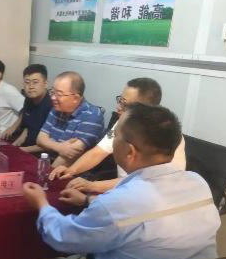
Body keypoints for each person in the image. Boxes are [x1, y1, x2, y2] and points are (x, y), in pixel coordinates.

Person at [23, 104, 220, 259]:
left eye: (115, 135)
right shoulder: (198, 183)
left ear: (129, 151)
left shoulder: (121, 203)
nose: (111, 140)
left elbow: (62, 237)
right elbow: (135, 216)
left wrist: (42, 204)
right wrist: (88, 201)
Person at [50, 78, 187, 195]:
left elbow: (143, 182)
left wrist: (92, 186)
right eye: (120, 100)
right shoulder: (124, 123)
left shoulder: (166, 135)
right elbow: (98, 152)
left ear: (145, 109)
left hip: (144, 197)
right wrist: (71, 170)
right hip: (120, 192)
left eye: (125, 104)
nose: (118, 107)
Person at [30, 71, 105, 166]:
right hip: (46, 160)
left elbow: (69, 154)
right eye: (52, 92)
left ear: (76, 98)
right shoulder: (56, 108)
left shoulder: (92, 116)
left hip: (69, 170)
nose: (53, 98)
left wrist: (48, 172)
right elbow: (40, 139)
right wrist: (60, 147)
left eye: (59, 94)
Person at [3, 64, 53, 147]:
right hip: (26, 143)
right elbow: (27, 121)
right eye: (27, 82)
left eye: (35, 82)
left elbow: (50, 143)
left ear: (45, 83)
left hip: (39, 149)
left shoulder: (51, 106)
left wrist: (21, 149)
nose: (31, 86)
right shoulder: (29, 98)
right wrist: (13, 128)